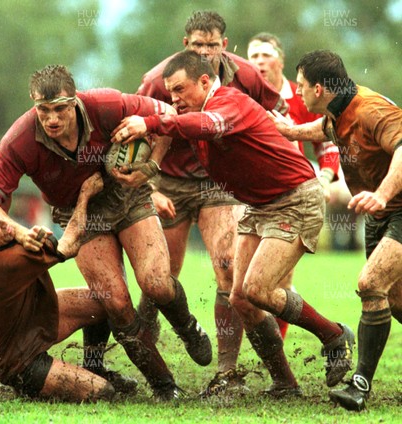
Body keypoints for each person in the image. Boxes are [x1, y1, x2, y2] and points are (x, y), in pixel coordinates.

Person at [113, 50, 355, 398]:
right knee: (240, 297)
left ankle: (334, 335)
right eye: (170, 93)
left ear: (206, 81)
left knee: (257, 289)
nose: (175, 99)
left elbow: (206, 126)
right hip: (260, 206)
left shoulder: (228, 103)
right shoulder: (192, 116)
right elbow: (174, 132)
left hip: (296, 198)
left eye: (180, 90)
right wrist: (143, 172)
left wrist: (149, 123)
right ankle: (285, 383)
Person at [0, 64, 212, 401]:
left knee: (156, 283)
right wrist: (18, 231)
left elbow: (168, 116)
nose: (52, 119)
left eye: (60, 109)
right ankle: (163, 385)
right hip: (77, 211)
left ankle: (187, 326)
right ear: (34, 105)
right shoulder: (21, 138)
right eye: (43, 110)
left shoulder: (105, 104)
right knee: (115, 301)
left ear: (74, 102)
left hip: (126, 195)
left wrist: (150, 167)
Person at [135, 10, 290, 396]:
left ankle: (227, 371)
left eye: (213, 45)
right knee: (159, 277)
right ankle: (160, 346)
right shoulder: (157, 80)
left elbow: (274, 111)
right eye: (198, 45)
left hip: (217, 181)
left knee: (227, 268)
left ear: (225, 45)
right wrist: (149, 185)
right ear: (185, 45)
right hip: (168, 180)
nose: (206, 51)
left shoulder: (247, 75)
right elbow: (134, 129)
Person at [268, 50, 402, 411]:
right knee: (395, 302)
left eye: (300, 87)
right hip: (381, 215)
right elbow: (324, 129)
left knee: (371, 284)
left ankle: (359, 386)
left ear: (319, 87)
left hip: (397, 208)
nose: (297, 94)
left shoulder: (371, 109)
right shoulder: (338, 110)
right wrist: (286, 129)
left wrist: (383, 194)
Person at [0, 172, 124, 402]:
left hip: (28, 318)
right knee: (103, 392)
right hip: (16, 360)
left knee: (104, 302)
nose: (5, 224)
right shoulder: (10, 261)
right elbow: (70, 244)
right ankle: (30, 384)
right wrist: (85, 196)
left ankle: (93, 365)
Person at [247, 32, 340, 200]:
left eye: (266, 55)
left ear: (281, 61)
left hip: (293, 192)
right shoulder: (241, 98)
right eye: (254, 55)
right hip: (250, 192)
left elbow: (327, 142)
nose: (259, 60)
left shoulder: (302, 95)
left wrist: (324, 180)